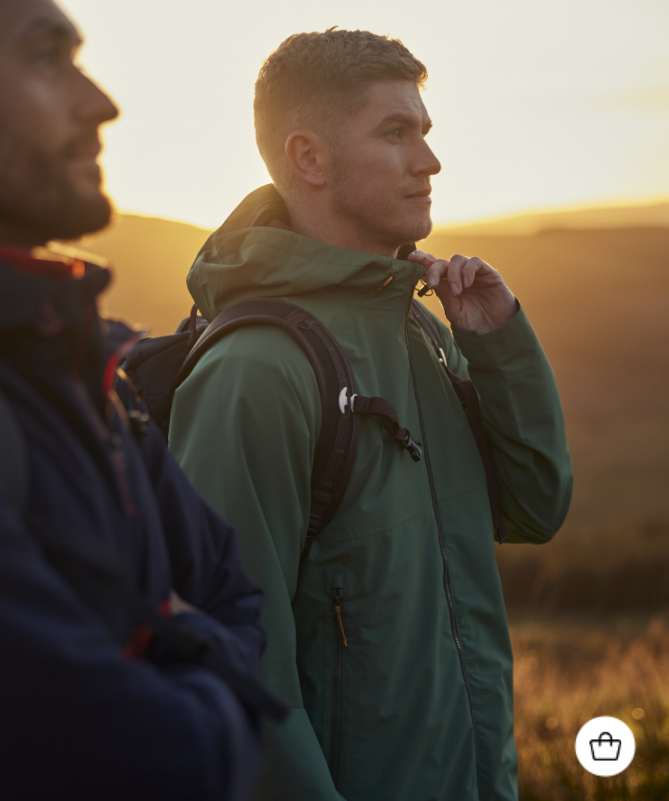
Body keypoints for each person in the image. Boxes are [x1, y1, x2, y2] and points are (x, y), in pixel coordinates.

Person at [169, 29, 573, 801]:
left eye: (424, 130)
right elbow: (234, 672)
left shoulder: (419, 330)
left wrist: (497, 346)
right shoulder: (255, 371)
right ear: (308, 158)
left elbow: (534, 506)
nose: (429, 160)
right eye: (395, 133)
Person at [0, 1, 278, 798]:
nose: (102, 103)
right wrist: (193, 644)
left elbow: (234, 590)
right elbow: (152, 758)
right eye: (45, 57)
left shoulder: (91, 373)